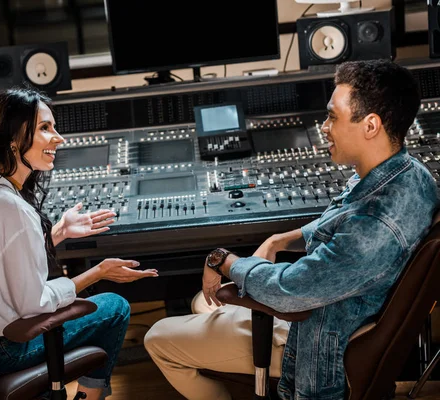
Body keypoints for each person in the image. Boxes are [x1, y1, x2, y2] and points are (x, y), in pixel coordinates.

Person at [144, 59, 440, 400]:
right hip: (331, 310)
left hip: (314, 338)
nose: (324, 127)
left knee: (160, 338)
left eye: (333, 116)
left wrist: (223, 260)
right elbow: (342, 222)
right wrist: (281, 238)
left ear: (370, 125)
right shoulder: (409, 174)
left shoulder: (374, 227)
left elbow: (288, 290)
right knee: (206, 307)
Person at [0, 87, 158, 400]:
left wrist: (57, 232)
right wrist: (97, 273)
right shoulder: (13, 209)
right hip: (7, 349)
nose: (59, 138)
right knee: (114, 307)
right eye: (45, 128)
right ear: (13, 139)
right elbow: (34, 304)